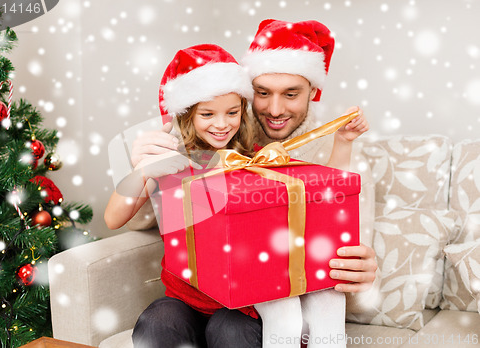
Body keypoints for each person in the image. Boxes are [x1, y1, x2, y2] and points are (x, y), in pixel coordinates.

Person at [129, 19, 378, 348]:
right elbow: (141, 219)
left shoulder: (335, 156)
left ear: (313, 92)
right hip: (202, 293)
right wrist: (142, 166)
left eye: (291, 93)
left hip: (260, 297)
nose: (275, 109)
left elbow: (341, 238)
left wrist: (365, 270)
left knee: (239, 328)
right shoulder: (225, 139)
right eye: (263, 93)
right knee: (159, 324)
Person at [104, 44, 263, 348]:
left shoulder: (252, 160)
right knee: (155, 324)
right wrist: (143, 171)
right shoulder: (169, 160)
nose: (221, 124)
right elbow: (113, 219)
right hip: (184, 298)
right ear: (187, 115)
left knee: (231, 331)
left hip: (241, 303)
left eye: (232, 112)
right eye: (207, 114)